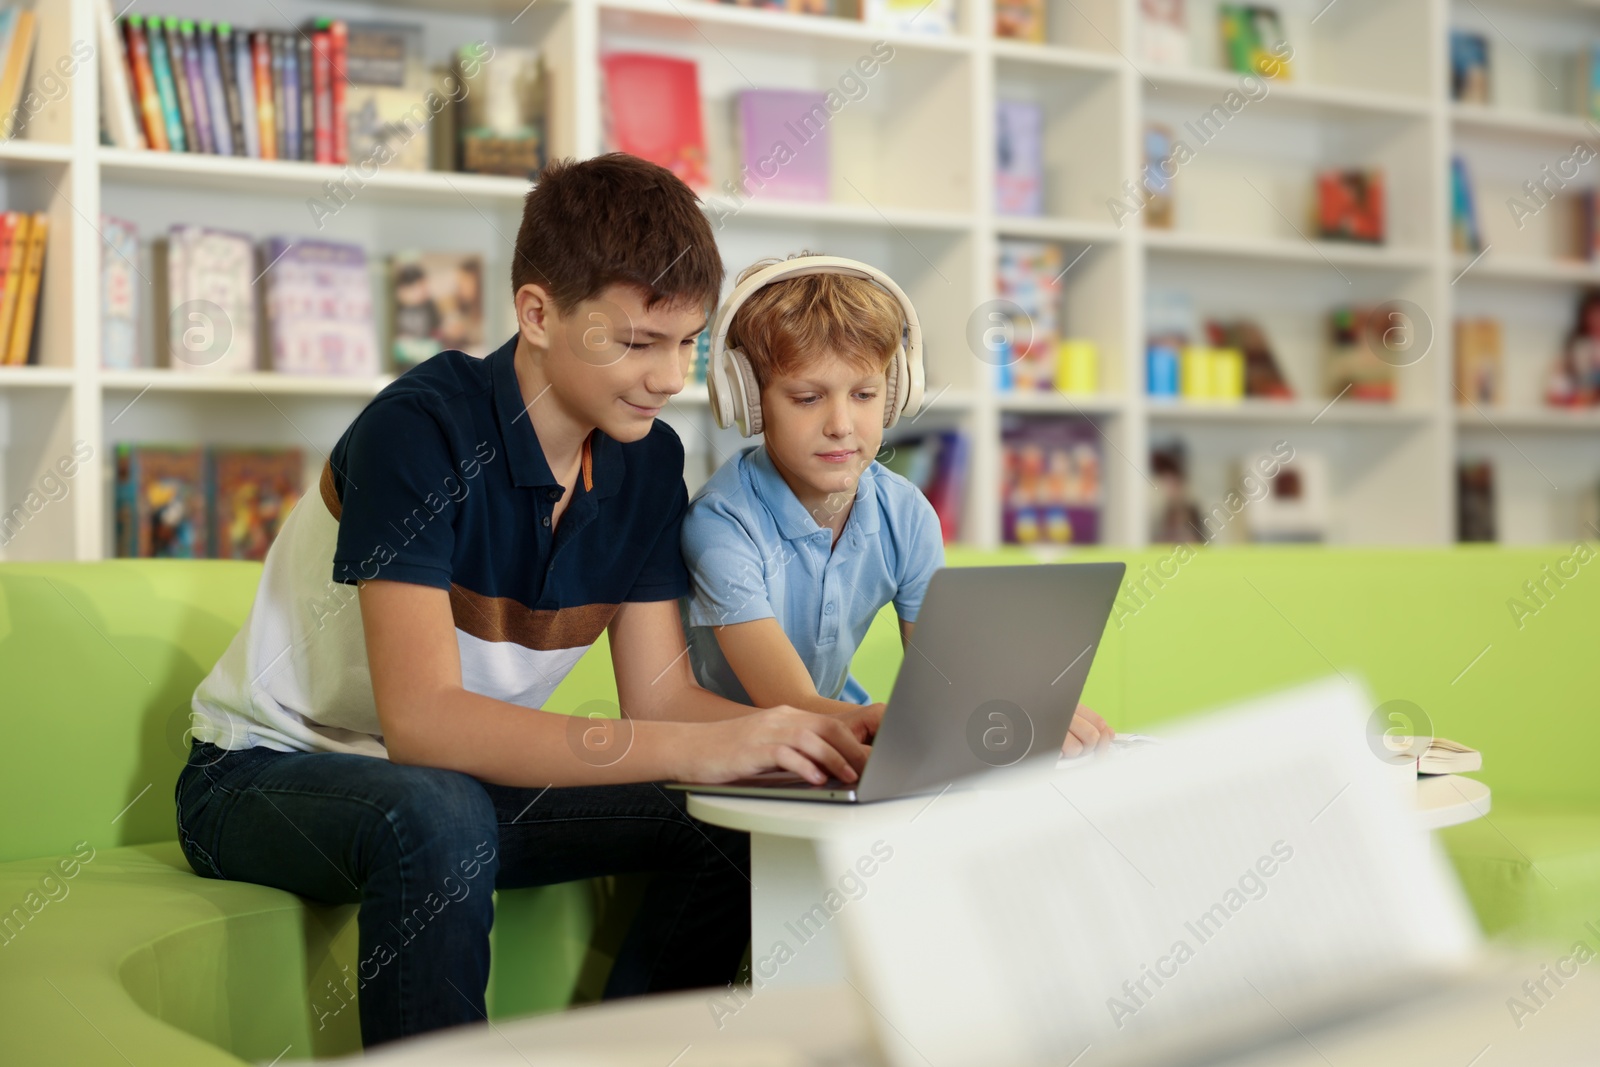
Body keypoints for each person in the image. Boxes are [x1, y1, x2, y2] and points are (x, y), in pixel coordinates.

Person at [174, 156, 876, 1050]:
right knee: (435, 807)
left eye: (687, 342)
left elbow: (658, 703)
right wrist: (714, 740)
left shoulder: (648, 461)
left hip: (457, 786)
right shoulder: (418, 431)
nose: (669, 377)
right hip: (259, 778)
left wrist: (813, 735)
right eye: (633, 342)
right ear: (538, 313)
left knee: (741, 815)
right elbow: (423, 725)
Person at [679, 252, 1113, 754]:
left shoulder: (904, 512)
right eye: (806, 398)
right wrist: (906, 724)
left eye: (864, 394)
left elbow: (945, 676)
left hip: (837, 739)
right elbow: (787, 702)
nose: (841, 424)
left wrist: (1022, 711)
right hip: (726, 757)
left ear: (895, 392)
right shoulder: (722, 523)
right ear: (749, 400)